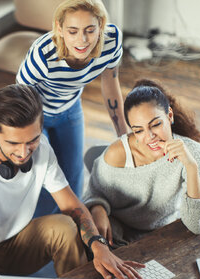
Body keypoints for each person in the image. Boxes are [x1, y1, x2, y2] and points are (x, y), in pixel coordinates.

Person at [0, 84, 143, 279]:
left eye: (32, 140)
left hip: (16, 245)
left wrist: (100, 246)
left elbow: (72, 207)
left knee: (65, 227)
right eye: (13, 143)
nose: (24, 152)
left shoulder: (42, 148)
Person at [17, 0, 127, 217]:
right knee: (48, 178)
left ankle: (75, 226)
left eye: (90, 30)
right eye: (73, 31)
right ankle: (43, 232)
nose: (82, 40)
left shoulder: (111, 41)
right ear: (59, 28)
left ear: (101, 25)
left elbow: (111, 84)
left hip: (70, 108)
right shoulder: (43, 54)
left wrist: (124, 134)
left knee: (74, 174)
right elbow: (21, 98)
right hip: (37, 114)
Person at [83, 79, 200, 246]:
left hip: (162, 236)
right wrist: (97, 209)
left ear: (170, 116)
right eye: (138, 130)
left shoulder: (194, 153)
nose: (150, 136)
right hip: (117, 235)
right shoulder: (117, 153)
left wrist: (191, 166)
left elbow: (197, 225)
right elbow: (94, 194)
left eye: (156, 124)